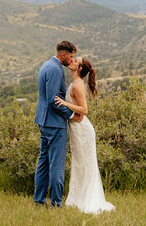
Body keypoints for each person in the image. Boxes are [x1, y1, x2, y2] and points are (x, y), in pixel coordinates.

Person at [54, 56, 115, 214]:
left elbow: (84, 110)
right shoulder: (75, 83)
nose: (72, 61)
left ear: (79, 69)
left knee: (85, 165)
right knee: (79, 164)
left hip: (82, 130)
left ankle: (86, 200)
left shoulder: (78, 85)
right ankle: (77, 198)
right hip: (77, 129)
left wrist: (65, 103)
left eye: (75, 61)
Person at [34, 41, 82, 207]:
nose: (71, 60)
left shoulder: (46, 65)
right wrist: (71, 115)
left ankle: (39, 201)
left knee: (43, 162)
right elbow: (54, 100)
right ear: (63, 55)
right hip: (54, 123)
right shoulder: (55, 70)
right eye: (71, 56)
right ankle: (56, 203)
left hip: (43, 120)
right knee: (56, 164)